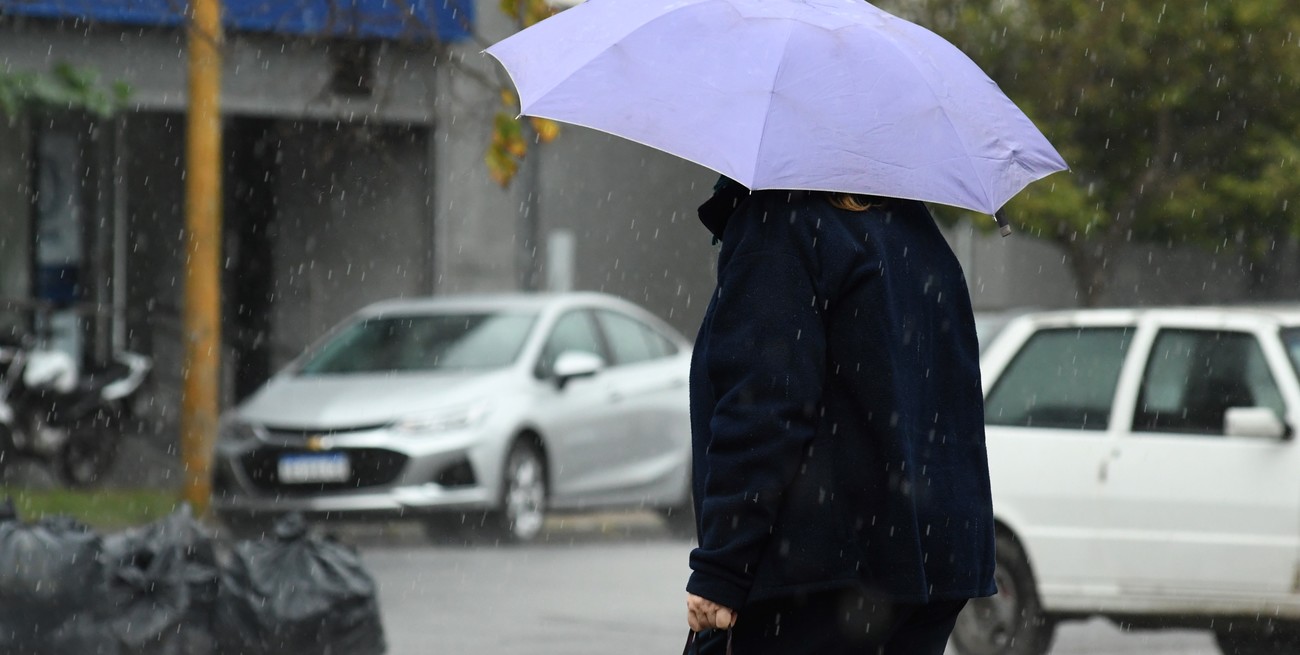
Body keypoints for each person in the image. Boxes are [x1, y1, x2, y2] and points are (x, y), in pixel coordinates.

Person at [684, 178, 996, 654]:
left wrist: (723, 567)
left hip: (820, 575)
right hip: (926, 564)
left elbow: (765, 409)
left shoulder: (780, 223)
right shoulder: (912, 227)